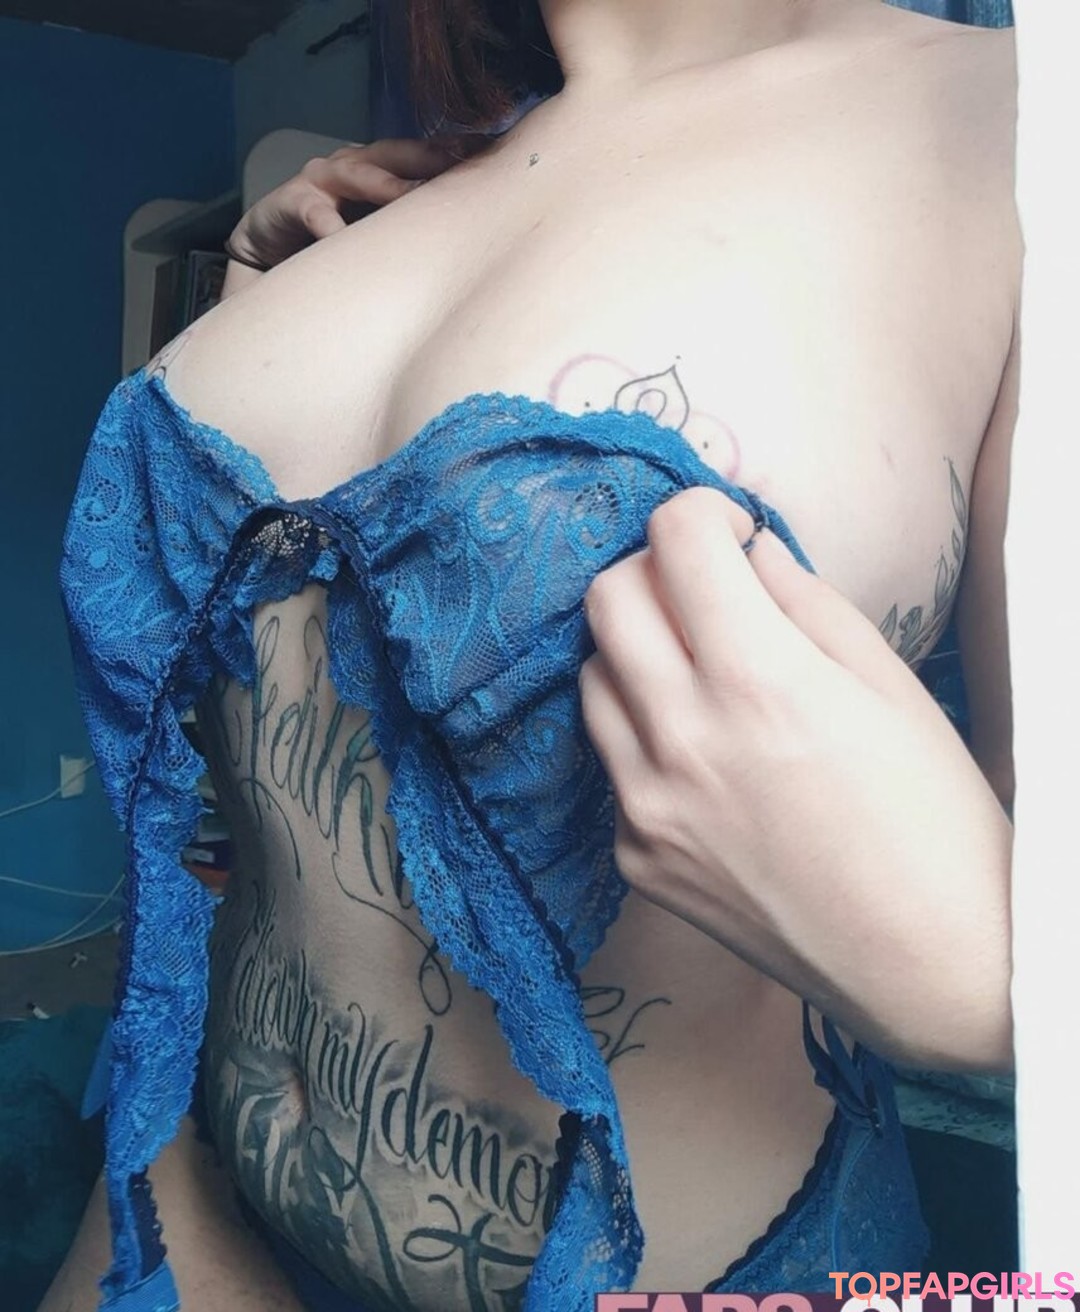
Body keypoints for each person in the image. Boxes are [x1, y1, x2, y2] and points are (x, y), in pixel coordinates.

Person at [46, 2, 1018, 1310]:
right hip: (192, 1204)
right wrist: (262, 310)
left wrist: (1000, 995)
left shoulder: (1019, 116)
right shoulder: (388, 199)